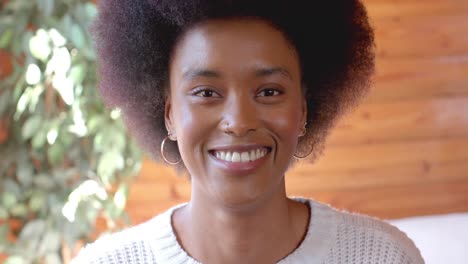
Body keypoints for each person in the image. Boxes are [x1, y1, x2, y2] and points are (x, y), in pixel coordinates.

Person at [73, 0, 424, 263]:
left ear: (303, 109)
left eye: (269, 91)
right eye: (206, 93)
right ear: (169, 115)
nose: (238, 121)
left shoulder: (381, 257)